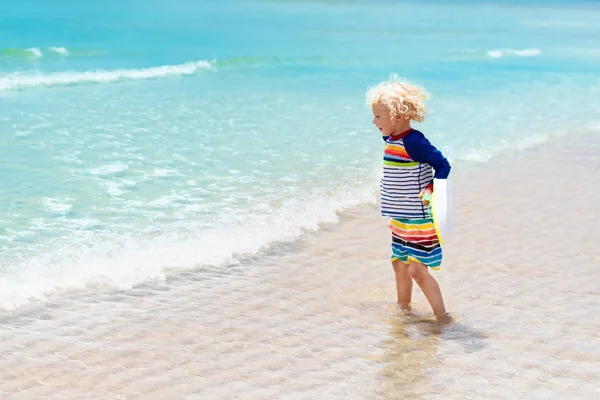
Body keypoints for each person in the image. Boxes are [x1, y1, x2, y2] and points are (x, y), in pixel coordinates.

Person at [366, 76, 452, 322]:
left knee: (417, 270)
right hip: (400, 217)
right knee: (399, 264)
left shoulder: (415, 142)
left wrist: (431, 188)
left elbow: (443, 164)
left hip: (419, 218)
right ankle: (404, 310)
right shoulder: (392, 138)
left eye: (378, 116)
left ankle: (443, 317)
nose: (374, 122)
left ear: (398, 116)